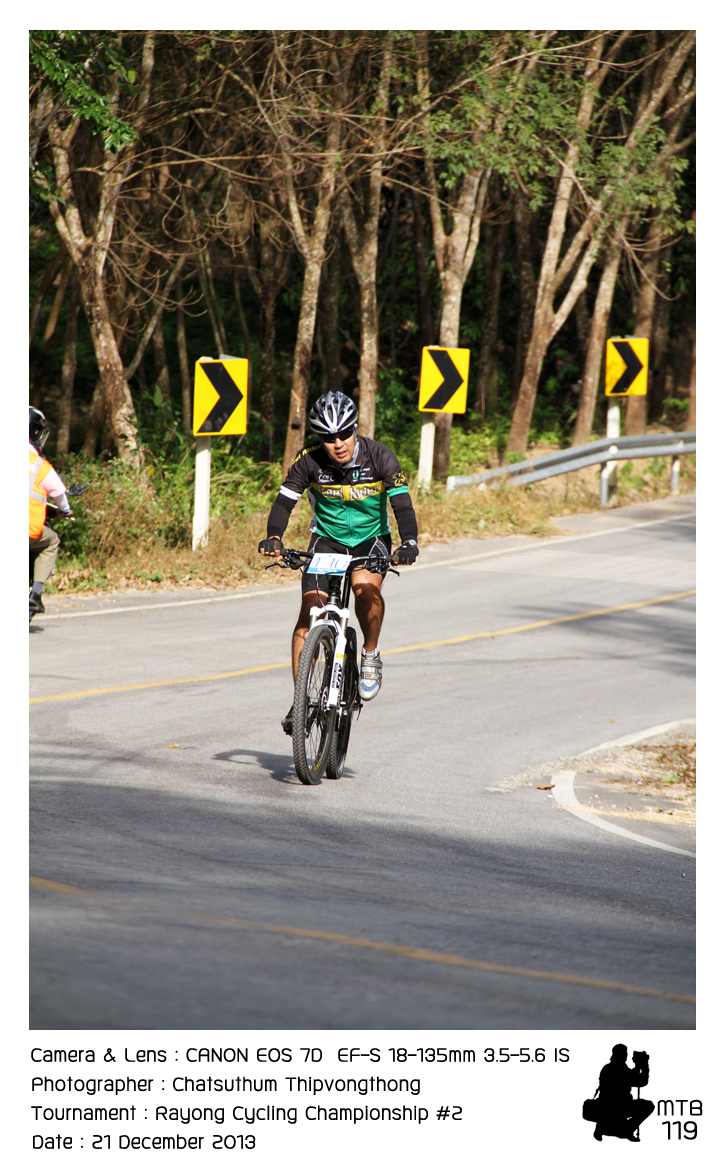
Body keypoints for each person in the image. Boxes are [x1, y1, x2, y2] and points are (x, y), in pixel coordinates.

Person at [259, 391, 419, 734]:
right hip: (327, 540)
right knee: (310, 612)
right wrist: (274, 537)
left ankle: (370, 654)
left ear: (354, 429)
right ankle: (301, 700)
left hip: (369, 539)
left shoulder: (380, 456)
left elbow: (403, 507)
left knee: (364, 590)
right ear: (320, 438)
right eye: (328, 437)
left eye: (344, 433)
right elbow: (284, 503)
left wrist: (409, 542)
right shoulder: (309, 461)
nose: (338, 443)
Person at [29, 407, 73, 615]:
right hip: (28, 531)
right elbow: (60, 495)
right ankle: (35, 595)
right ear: (36, 433)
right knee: (52, 540)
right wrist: (65, 510)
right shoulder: (41, 466)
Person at [592, 1045, 654, 1142]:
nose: (626, 1055)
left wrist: (638, 1066)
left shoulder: (608, 1068)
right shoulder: (621, 1069)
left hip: (607, 1106)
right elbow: (641, 1081)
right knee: (648, 1106)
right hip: (619, 1106)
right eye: (624, 1053)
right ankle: (627, 1130)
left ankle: (604, 1128)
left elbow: (630, 1077)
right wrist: (644, 1065)